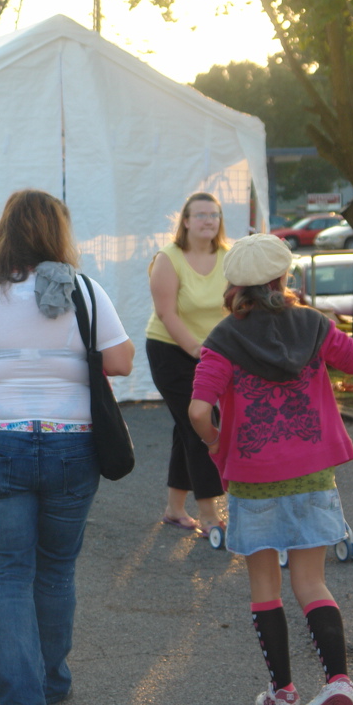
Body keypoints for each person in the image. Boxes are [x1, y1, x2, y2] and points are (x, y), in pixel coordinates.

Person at [188, 234, 353, 705]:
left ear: (234, 286)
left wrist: (214, 446)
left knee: (264, 590)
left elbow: (197, 411)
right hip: (313, 472)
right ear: (283, 279)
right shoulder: (318, 327)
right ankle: (338, 682)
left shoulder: (222, 341)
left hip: (252, 479)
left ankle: (283, 694)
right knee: (312, 583)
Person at [0, 189, 134, 705]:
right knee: (56, 569)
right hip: (72, 441)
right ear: (59, 234)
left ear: (4, 232)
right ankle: (52, 681)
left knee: (8, 575)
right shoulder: (85, 290)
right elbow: (121, 361)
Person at [146, 192, 230, 534]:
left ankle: (174, 509)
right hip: (172, 351)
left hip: (214, 354)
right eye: (201, 215)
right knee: (201, 426)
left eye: (214, 214)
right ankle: (210, 515)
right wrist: (197, 350)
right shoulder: (169, 258)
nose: (209, 220)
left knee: (187, 426)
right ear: (185, 221)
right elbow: (167, 313)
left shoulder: (230, 256)